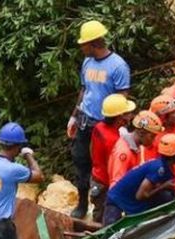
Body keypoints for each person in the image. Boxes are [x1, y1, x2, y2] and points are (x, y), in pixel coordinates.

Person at [67, 20, 131, 218]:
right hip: (85, 121)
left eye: (83, 44)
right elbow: (84, 90)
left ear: (93, 43)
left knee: (102, 168)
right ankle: (81, 204)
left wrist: (117, 124)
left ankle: (102, 209)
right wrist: (74, 116)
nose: (81, 48)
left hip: (104, 125)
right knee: (80, 162)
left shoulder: (118, 66)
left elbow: (123, 97)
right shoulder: (88, 62)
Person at [104, 134, 175, 225]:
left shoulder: (162, 166)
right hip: (118, 202)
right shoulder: (159, 168)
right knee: (110, 232)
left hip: (130, 202)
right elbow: (140, 195)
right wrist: (163, 186)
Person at [89, 94, 136, 223]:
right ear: (120, 117)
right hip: (105, 183)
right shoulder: (113, 141)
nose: (131, 116)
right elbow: (117, 167)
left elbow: (92, 149)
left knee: (100, 213)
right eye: (127, 113)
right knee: (105, 219)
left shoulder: (99, 127)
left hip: (97, 176)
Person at [107, 110, 164, 189]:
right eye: (152, 136)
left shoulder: (136, 147)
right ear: (141, 133)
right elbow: (116, 185)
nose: (154, 140)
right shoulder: (124, 153)